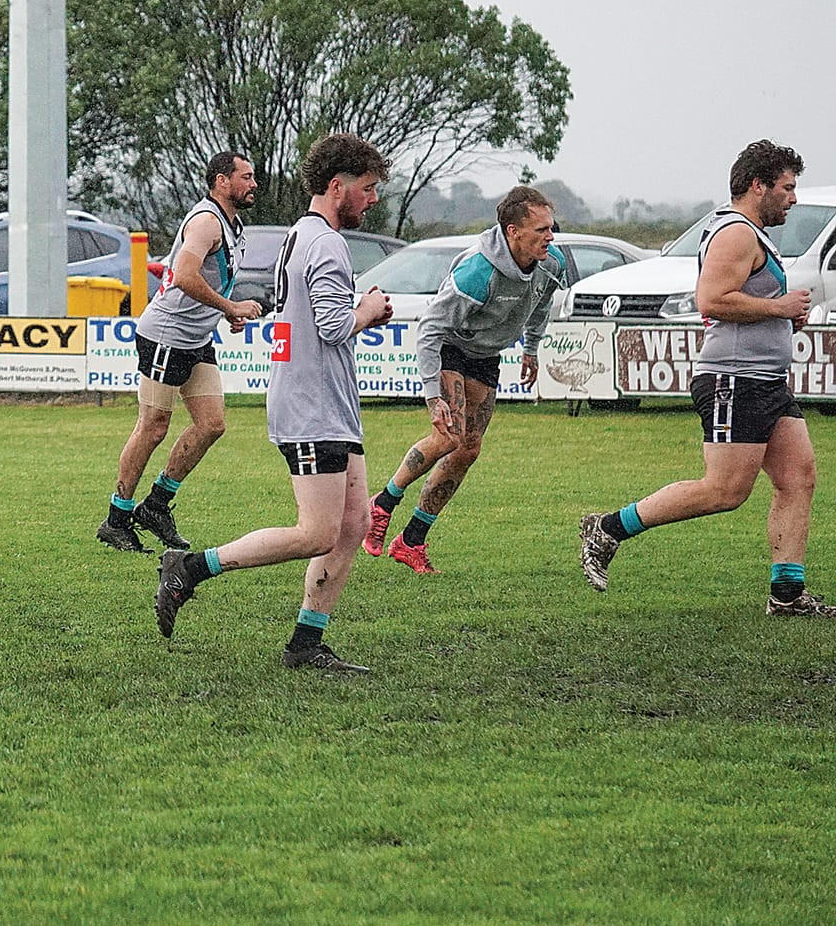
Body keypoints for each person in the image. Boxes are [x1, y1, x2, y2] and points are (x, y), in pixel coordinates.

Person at [154, 132, 395, 672]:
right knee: (316, 532)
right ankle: (191, 567)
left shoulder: (299, 234)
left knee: (353, 523)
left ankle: (306, 643)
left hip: (326, 401)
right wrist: (370, 311)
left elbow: (307, 321)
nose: (374, 199)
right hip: (312, 406)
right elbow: (333, 326)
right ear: (338, 187)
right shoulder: (327, 243)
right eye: (368, 188)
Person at [581, 140, 834, 616]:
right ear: (758, 186)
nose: (794, 198)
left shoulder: (752, 233)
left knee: (798, 478)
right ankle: (609, 528)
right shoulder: (735, 233)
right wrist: (778, 307)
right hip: (733, 380)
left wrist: (780, 319)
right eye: (787, 187)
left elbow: (739, 303)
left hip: (765, 381)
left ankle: (787, 596)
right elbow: (712, 301)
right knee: (725, 491)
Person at [361, 187, 567, 573]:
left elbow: (541, 303)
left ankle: (411, 542)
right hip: (450, 347)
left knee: (468, 450)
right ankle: (382, 503)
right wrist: (430, 396)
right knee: (447, 437)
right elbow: (430, 329)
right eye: (541, 229)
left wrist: (531, 349)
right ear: (513, 231)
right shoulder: (478, 272)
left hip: (487, 355)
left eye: (551, 228)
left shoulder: (550, 262)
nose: (550, 237)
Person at [99, 151, 263, 555]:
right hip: (165, 336)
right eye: (246, 176)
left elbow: (208, 280)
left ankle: (155, 505)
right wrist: (230, 307)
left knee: (212, 425)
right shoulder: (207, 221)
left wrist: (224, 312)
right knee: (153, 427)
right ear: (221, 182)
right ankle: (116, 519)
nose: (254, 184)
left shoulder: (233, 225)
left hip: (195, 338)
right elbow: (185, 276)